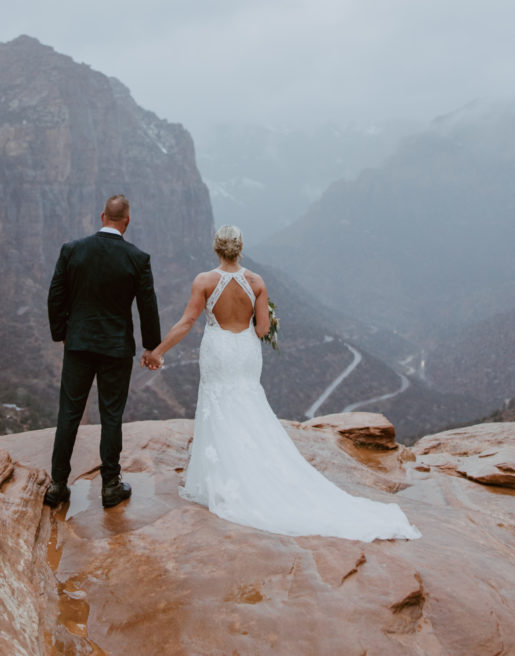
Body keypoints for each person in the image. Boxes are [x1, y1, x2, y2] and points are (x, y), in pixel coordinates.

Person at [142, 225, 420, 541]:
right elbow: (261, 330)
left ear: (216, 249)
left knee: (217, 405)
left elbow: (187, 322)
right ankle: (256, 471)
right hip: (245, 352)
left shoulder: (204, 281)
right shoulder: (257, 282)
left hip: (218, 350)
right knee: (248, 402)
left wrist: (158, 352)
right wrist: (265, 319)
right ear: (241, 249)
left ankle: (221, 477)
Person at [45, 194, 161, 509]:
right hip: (115, 348)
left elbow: (56, 296)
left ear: (102, 216)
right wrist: (152, 346)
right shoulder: (137, 258)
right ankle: (110, 484)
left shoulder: (73, 251)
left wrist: (63, 334)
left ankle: (57, 484)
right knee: (111, 415)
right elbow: (147, 306)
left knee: (69, 413)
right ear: (127, 221)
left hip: (79, 345)